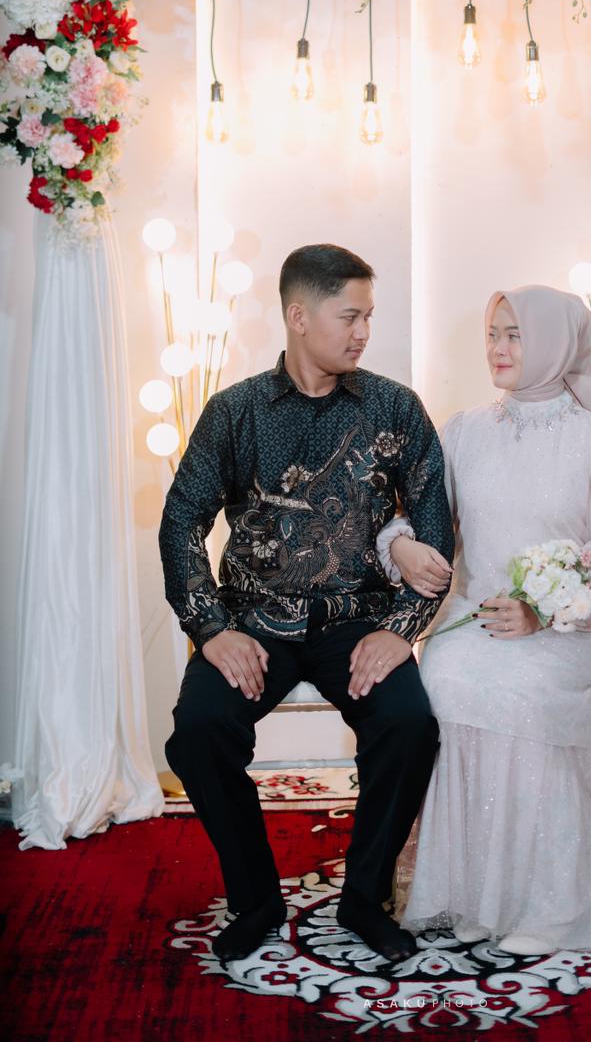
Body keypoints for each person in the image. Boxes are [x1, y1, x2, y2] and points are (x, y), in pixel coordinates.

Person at [159, 244, 454, 965]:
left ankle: (364, 899)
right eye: (349, 316)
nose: (363, 332)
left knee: (409, 726)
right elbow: (182, 520)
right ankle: (257, 899)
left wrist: (401, 631)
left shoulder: (395, 407)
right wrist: (211, 629)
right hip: (253, 621)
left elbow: (435, 530)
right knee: (198, 731)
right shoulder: (235, 411)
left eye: (369, 317)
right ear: (298, 316)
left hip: (357, 621)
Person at [377, 286, 591, 955]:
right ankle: (469, 895)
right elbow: (420, 518)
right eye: (493, 333)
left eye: (515, 335)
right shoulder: (464, 430)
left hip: (563, 631)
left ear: (554, 343)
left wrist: (542, 610)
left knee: (522, 693)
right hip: (473, 619)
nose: (497, 348)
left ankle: (552, 906)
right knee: (445, 681)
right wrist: (400, 544)